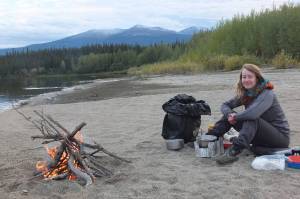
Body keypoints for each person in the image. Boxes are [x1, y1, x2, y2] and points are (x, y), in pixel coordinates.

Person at [207, 63, 290, 164]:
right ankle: (209, 138)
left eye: (250, 77)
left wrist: (236, 117)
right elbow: (225, 105)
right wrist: (230, 115)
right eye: (244, 77)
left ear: (257, 78)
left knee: (250, 118)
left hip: (279, 138)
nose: (246, 80)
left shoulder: (267, 93)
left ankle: (233, 151)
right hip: (260, 135)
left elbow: (253, 114)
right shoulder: (247, 94)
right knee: (228, 115)